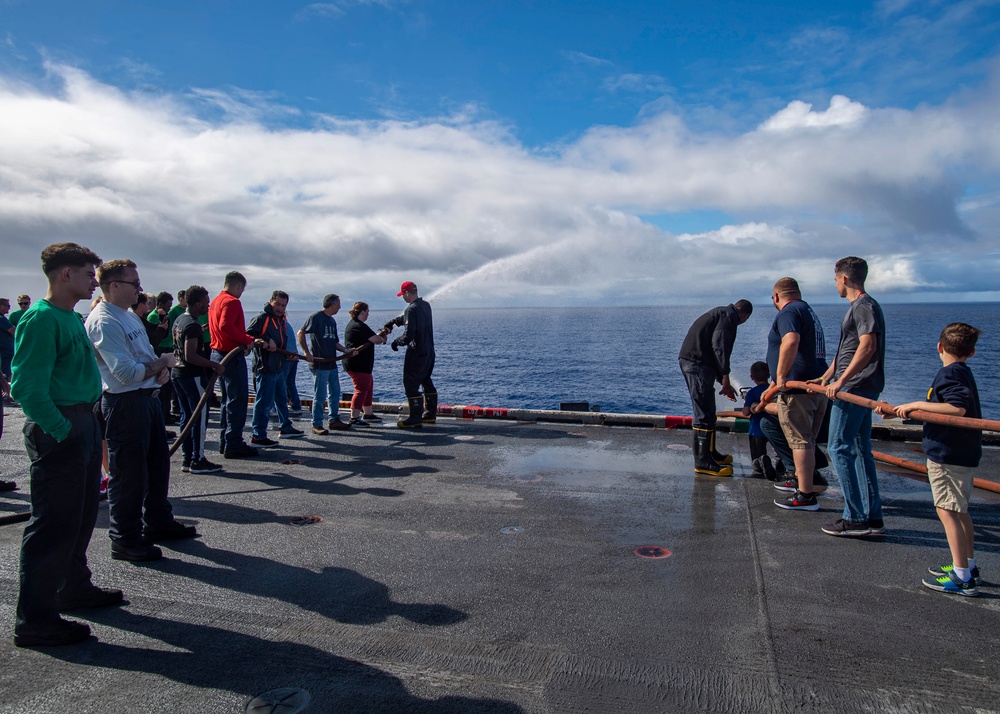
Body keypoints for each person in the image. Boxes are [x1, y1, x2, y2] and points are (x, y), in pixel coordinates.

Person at [11, 243, 121, 648]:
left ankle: (73, 588)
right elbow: (27, 389)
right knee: (52, 527)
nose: (95, 280)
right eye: (89, 273)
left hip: (83, 422)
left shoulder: (71, 318)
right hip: (62, 426)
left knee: (79, 518)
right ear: (65, 275)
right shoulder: (40, 320)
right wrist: (62, 430)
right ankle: (35, 619)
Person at [86, 259, 198, 564]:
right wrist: (161, 365)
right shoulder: (104, 321)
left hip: (146, 399)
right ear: (114, 286)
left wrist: (158, 370)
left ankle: (158, 522)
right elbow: (125, 373)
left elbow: (146, 357)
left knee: (158, 466)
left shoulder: (127, 316)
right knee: (128, 476)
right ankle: (124, 539)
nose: (140, 288)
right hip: (124, 404)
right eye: (134, 283)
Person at [878, 323, 983, 596]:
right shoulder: (963, 371)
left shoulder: (949, 374)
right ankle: (967, 566)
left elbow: (956, 408)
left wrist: (915, 404)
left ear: (939, 347)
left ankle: (962, 578)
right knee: (959, 510)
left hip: (948, 453)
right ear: (971, 352)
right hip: (961, 451)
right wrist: (903, 412)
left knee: (947, 510)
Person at [815, 257, 887, 538]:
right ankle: (872, 516)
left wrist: (842, 381)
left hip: (855, 388)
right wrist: (825, 377)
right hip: (854, 384)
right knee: (859, 449)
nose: (834, 285)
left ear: (844, 279)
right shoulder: (860, 308)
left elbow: (868, 346)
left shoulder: (864, 306)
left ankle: (855, 517)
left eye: (835, 280)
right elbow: (847, 347)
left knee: (839, 448)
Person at [758, 277, 828, 511]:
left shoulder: (788, 312)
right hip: (815, 386)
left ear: (776, 297)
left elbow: (791, 341)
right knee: (807, 441)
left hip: (797, 390)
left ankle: (805, 495)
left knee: (800, 443)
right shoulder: (808, 311)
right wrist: (772, 386)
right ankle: (804, 482)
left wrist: (780, 379)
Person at [677, 300, 753, 476]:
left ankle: (710, 453)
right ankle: (702, 462)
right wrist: (725, 376)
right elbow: (720, 347)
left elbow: (714, 351)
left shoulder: (723, 314)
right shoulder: (728, 317)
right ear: (745, 315)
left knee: (709, 411)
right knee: (703, 412)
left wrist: (723, 381)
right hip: (696, 365)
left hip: (700, 364)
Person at [209, 271, 266, 458]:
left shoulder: (215, 301)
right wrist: (248, 339)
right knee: (238, 400)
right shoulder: (232, 302)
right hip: (230, 356)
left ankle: (225, 441)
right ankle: (233, 443)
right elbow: (226, 326)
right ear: (238, 286)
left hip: (218, 354)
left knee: (227, 400)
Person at [171, 285, 224, 474]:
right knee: (199, 417)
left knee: (186, 417)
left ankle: (187, 458)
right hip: (191, 375)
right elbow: (190, 355)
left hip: (177, 374)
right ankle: (198, 459)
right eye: (206, 302)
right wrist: (213, 365)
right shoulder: (191, 325)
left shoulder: (180, 320)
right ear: (198, 303)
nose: (208, 305)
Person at [247, 290, 303, 446]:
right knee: (264, 402)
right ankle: (257, 435)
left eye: (283, 305)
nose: (279, 308)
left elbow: (281, 341)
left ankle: (285, 427)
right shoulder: (261, 318)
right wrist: (265, 339)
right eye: (277, 304)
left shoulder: (280, 320)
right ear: (270, 301)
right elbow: (248, 335)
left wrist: (288, 354)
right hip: (265, 367)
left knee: (281, 398)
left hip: (279, 365)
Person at [383, 281, 437, 429]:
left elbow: (408, 336)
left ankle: (415, 418)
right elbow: (409, 318)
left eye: (403, 295)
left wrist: (396, 342)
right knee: (426, 381)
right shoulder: (425, 305)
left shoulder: (411, 309)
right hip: (429, 351)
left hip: (416, 353)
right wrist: (394, 322)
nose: (403, 298)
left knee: (411, 384)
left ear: (407, 293)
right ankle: (430, 414)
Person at [298, 294, 353, 435]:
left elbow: (334, 342)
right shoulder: (316, 317)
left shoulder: (332, 321)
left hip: (331, 363)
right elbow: (301, 332)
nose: (340, 307)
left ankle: (334, 419)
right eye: (338, 304)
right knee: (320, 395)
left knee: (335, 392)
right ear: (332, 304)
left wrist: (346, 350)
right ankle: (316, 424)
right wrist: (306, 352)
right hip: (319, 364)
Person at [344, 301, 388, 425]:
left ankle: (368, 413)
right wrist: (383, 337)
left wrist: (381, 337)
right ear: (362, 311)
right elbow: (376, 339)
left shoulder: (355, 325)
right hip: (358, 364)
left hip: (362, 365)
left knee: (367, 387)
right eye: (367, 311)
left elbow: (373, 339)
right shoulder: (359, 326)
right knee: (361, 389)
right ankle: (354, 417)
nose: (368, 314)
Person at [741, 361, 770, 477]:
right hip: (773, 428)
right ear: (769, 375)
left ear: (752, 377)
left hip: (756, 430)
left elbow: (745, 413)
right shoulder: (773, 390)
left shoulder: (752, 393)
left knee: (757, 454)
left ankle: (760, 465)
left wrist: (747, 402)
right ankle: (779, 466)